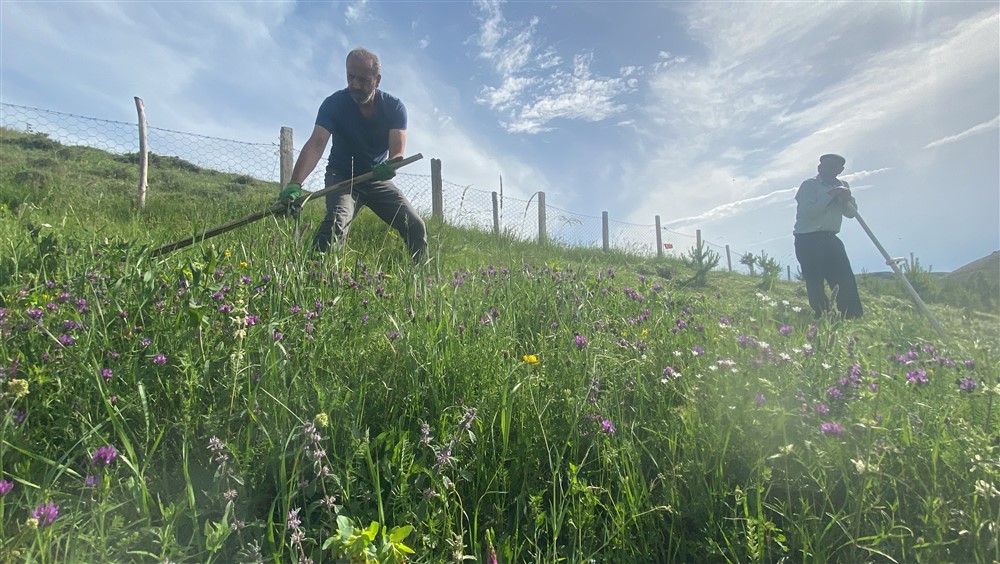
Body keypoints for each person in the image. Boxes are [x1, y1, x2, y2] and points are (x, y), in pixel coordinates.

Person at [277, 47, 427, 262]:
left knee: (414, 225)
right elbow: (317, 143)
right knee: (337, 222)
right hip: (342, 177)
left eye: (363, 79)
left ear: (377, 80)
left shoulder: (394, 108)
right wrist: (295, 183)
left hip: (376, 178)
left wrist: (390, 166)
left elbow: (397, 152)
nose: (355, 84)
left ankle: (422, 280)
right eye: (351, 77)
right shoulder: (334, 104)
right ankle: (315, 275)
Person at [793, 153, 863, 319]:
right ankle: (823, 315)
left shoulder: (843, 186)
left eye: (834, 167)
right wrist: (831, 195)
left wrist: (847, 199)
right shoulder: (809, 185)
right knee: (814, 279)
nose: (829, 170)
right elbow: (809, 212)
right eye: (826, 166)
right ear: (819, 168)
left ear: (840, 170)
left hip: (831, 237)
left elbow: (850, 213)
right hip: (808, 238)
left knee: (844, 277)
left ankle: (852, 316)